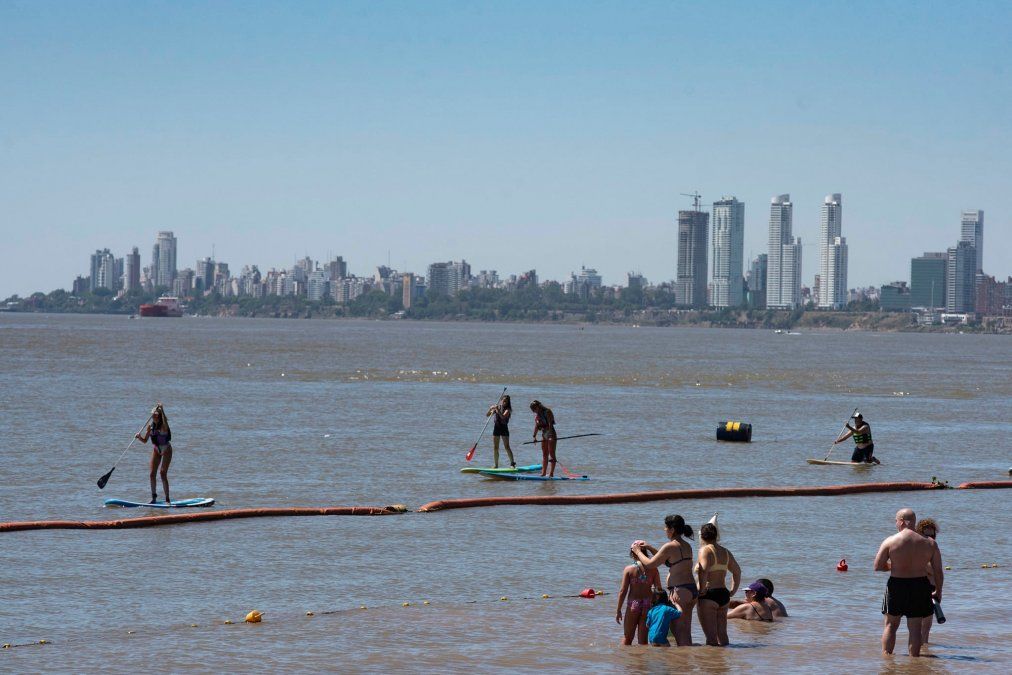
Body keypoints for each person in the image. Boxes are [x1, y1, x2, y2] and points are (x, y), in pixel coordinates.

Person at [874, 508, 943, 658]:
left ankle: (887, 660)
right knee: (915, 628)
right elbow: (938, 571)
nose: (896, 524)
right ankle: (914, 662)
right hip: (920, 585)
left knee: (891, 625)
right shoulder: (929, 543)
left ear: (901, 522)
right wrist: (938, 591)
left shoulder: (891, 540)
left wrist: (894, 566)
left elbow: (878, 566)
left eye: (896, 521)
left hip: (897, 585)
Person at [631, 514, 697, 646]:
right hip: (691, 590)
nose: (664, 530)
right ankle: (688, 658)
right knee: (686, 631)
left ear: (672, 529)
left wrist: (638, 552)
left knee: (679, 632)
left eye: (666, 528)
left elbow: (650, 564)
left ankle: (683, 659)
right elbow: (667, 561)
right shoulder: (686, 545)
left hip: (679, 591)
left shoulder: (669, 546)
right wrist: (649, 547)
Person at [695, 522, 741, 646]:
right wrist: (733, 590)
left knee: (711, 638)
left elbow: (704, 570)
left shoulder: (704, 550)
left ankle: (713, 659)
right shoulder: (726, 552)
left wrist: (701, 590)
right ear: (716, 536)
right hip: (723, 594)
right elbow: (737, 571)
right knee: (723, 635)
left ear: (702, 536)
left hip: (708, 594)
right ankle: (725, 657)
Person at [616, 541, 661, 645]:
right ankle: (642, 656)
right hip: (648, 604)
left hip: (633, 604)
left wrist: (618, 610)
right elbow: (658, 589)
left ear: (632, 553)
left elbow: (623, 591)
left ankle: (625, 655)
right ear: (645, 552)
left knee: (627, 637)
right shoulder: (653, 569)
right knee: (643, 640)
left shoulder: (629, 569)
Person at [135, 403, 172, 504]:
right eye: (153, 415)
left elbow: (164, 419)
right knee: (152, 474)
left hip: (166, 450)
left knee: (162, 473)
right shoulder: (150, 426)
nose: (153, 416)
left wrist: (162, 409)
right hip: (156, 449)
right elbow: (145, 441)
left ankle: (167, 499)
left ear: (159, 416)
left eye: (155, 415)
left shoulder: (164, 425)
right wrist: (139, 437)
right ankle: (153, 498)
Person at [914, 518, 941, 645]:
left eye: (932, 535)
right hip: (923, 587)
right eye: (927, 535)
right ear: (919, 534)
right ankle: (920, 647)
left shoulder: (932, 547)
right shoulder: (918, 548)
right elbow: (933, 570)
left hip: (932, 588)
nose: (930, 538)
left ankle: (924, 647)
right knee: (921, 623)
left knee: (927, 625)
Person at [529, 400, 557, 477]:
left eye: (534, 409)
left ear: (538, 406)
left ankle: (551, 473)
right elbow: (536, 426)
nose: (534, 411)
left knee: (552, 454)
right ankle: (543, 473)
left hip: (551, 433)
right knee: (545, 454)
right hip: (544, 434)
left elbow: (550, 424)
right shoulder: (537, 416)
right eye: (532, 410)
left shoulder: (547, 412)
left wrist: (550, 435)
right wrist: (534, 436)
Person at [486, 394, 515, 469]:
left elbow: (503, 417)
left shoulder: (508, 409)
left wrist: (497, 410)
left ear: (508, 402)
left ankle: (512, 464)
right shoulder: (498, 407)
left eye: (506, 401)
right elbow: (487, 415)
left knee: (507, 447)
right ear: (501, 400)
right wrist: (490, 409)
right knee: (495, 447)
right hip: (496, 428)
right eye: (503, 401)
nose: (504, 402)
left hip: (504, 428)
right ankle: (496, 465)